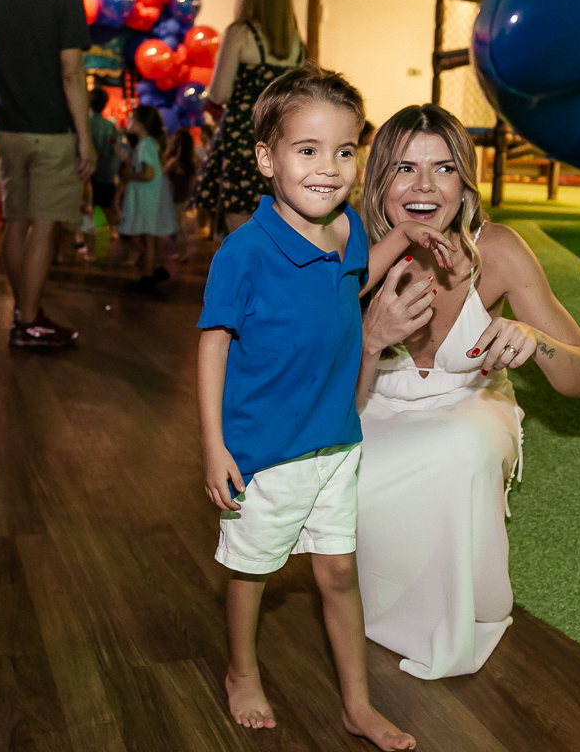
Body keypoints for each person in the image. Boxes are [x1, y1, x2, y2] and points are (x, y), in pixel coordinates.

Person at [197, 63, 451, 748]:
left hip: (336, 441)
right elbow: (213, 344)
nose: (329, 168)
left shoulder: (342, 229)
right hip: (265, 449)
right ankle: (241, 670)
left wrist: (408, 237)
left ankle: (357, 705)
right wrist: (215, 444)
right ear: (266, 157)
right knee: (253, 570)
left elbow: (354, 281)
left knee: (338, 572)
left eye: (345, 152)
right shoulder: (243, 252)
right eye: (308, 151)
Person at [354, 104, 580, 680]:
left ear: (463, 181)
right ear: (379, 182)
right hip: (370, 402)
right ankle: (370, 607)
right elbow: (323, 396)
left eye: (442, 169)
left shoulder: (498, 250)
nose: (424, 187)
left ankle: (460, 616)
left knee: (458, 449)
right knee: (347, 466)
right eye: (403, 169)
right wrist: (371, 341)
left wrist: (534, 339)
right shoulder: (350, 254)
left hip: (468, 406)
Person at [0, 0, 96, 347]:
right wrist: (85, 137)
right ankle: (28, 322)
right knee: (44, 227)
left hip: (8, 127)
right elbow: (71, 71)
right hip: (51, 130)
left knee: (16, 223)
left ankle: (22, 310)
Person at [193, 0, 305, 236]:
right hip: (281, 139)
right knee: (278, 232)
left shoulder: (240, 33)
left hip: (243, 140)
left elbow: (219, 93)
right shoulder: (296, 42)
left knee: (240, 234)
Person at [119, 105, 177, 292]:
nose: (129, 122)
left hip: (147, 197)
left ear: (141, 125)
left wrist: (129, 174)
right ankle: (155, 269)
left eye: (132, 119)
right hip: (150, 196)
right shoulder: (148, 144)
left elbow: (148, 174)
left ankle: (148, 276)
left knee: (147, 238)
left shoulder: (145, 145)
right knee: (149, 238)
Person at [88, 87, 119, 246]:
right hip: (106, 171)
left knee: (91, 203)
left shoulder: (86, 123)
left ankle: (92, 231)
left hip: (88, 170)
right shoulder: (110, 126)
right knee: (108, 203)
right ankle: (112, 230)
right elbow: (115, 150)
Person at [164, 127, 197, 262]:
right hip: (180, 199)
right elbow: (191, 184)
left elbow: (162, 175)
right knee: (177, 226)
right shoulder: (190, 164)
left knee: (177, 227)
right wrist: (189, 198)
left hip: (173, 199)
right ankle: (181, 253)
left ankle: (183, 254)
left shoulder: (173, 162)